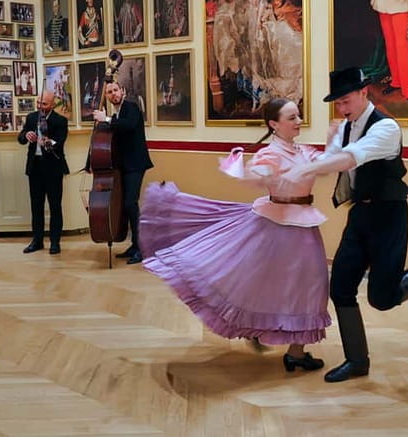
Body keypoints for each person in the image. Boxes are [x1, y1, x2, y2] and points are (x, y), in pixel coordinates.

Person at [280, 67, 408, 382]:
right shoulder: (346, 127)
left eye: (346, 100)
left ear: (364, 92)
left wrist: (313, 165)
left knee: (383, 298)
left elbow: (351, 159)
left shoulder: (386, 128)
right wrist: (321, 151)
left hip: (388, 215)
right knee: (340, 288)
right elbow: (336, 158)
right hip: (360, 215)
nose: (342, 108)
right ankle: (357, 361)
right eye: (337, 103)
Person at [140, 98, 330, 371]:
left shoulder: (301, 150)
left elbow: (325, 163)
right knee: (259, 281)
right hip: (276, 226)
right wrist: (252, 171)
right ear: (274, 124)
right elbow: (259, 172)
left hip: (303, 225)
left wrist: (340, 146)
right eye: (292, 117)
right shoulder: (271, 153)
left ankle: (296, 351)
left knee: (311, 286)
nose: (299, 121)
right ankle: (276, 341)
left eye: (299, 116)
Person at [88, 80, 153, 264]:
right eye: (109, 92)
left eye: (116, 90)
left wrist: (106, 119)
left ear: (122, 91)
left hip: (135, 164)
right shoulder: (116, 113)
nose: (113, 94)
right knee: (125, 206)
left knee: (130, 203)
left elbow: (129, 125)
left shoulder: (131, 107)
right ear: (107, 96)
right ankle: (134, 245)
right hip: (122, 166)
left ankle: (141, 247)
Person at [18, 90, 70, 255]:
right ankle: (37, 241)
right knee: (36, 206)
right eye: (39, 103)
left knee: (55, 206)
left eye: (44, 104)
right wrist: (26, 135)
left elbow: (60, 143)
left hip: (53, 167)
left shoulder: (60, 120)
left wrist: (49, 142)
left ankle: (55, 242)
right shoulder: (32, 117)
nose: (40, 107)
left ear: (52, 105)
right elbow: (20, 138)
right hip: (35, 167)